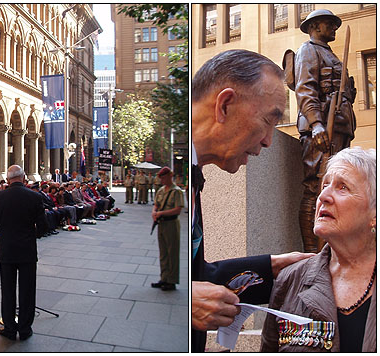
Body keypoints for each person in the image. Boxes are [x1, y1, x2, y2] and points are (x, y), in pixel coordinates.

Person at [191, 49, 314, 352]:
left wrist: (272, 268)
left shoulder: (196, 175)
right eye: (269, 121)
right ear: (225, 105)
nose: (268, 141)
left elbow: (200, 278)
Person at [261, 147, 376, 352]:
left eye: (343, 187)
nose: (323, 196)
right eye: (324, 185)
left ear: (374, 214)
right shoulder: (290, 280)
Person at [292, 9, 357, 253]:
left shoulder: (331, 56)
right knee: (315, 186)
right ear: (315, 26)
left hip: (340, 128)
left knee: (334, 186)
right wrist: (316, 124)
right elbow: (305, 89)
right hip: (321, 131)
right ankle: (312, 252)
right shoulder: (307, 51)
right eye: (330, 24)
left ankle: (329, 248)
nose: (335, 28)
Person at [0, 165, 45, 341]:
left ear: (8, 178)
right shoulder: (35, 197)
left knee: (7, 289)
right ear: (23, 177)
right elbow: (43, 227)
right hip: (27, 250)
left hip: (7, 250)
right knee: (27, 290)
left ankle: (10, 329)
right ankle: (25, 329)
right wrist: (31, 235)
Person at [151, 167, 184, 291]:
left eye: (164, 178)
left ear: (170, 176)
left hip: (171, 224)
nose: (162, 180)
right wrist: (154, 212)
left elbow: (177, 210)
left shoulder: (176, 191)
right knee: (163, 252)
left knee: (172, 253)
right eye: (161, 178)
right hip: (161, 224)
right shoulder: (160, 190)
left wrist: (161, 213)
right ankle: (164, 277)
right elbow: (156, 204)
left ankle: (172, 280)